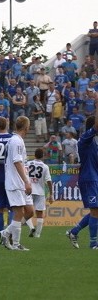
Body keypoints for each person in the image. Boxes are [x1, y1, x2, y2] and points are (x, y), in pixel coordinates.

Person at [66, 95, 98, 249]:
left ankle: (74, 231)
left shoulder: (93, 143)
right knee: (95, 210)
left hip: (93, 178)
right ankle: (93, 244)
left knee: (96, 211)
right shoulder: (85, 138)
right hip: (88, 178)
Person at [0, 116, 33, 251]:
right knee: (18, 213)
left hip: (18, 181)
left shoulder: (16, 140)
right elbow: (17, 162)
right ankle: (16, 244)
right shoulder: (17, 141)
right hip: (15, 182)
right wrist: (26, 181)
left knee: (30, 211)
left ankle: (5, 233)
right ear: (26, 127)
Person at [26, 148, 53, 238]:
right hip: (40, 191)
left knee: (26, 211)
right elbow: (49, 181)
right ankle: (37, 234)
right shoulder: (45, 166)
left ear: (34, 155)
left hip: (29, 190)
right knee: (40, 213)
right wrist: (51, 194)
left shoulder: (28, 164)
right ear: (43, 156)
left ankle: (31, 227)